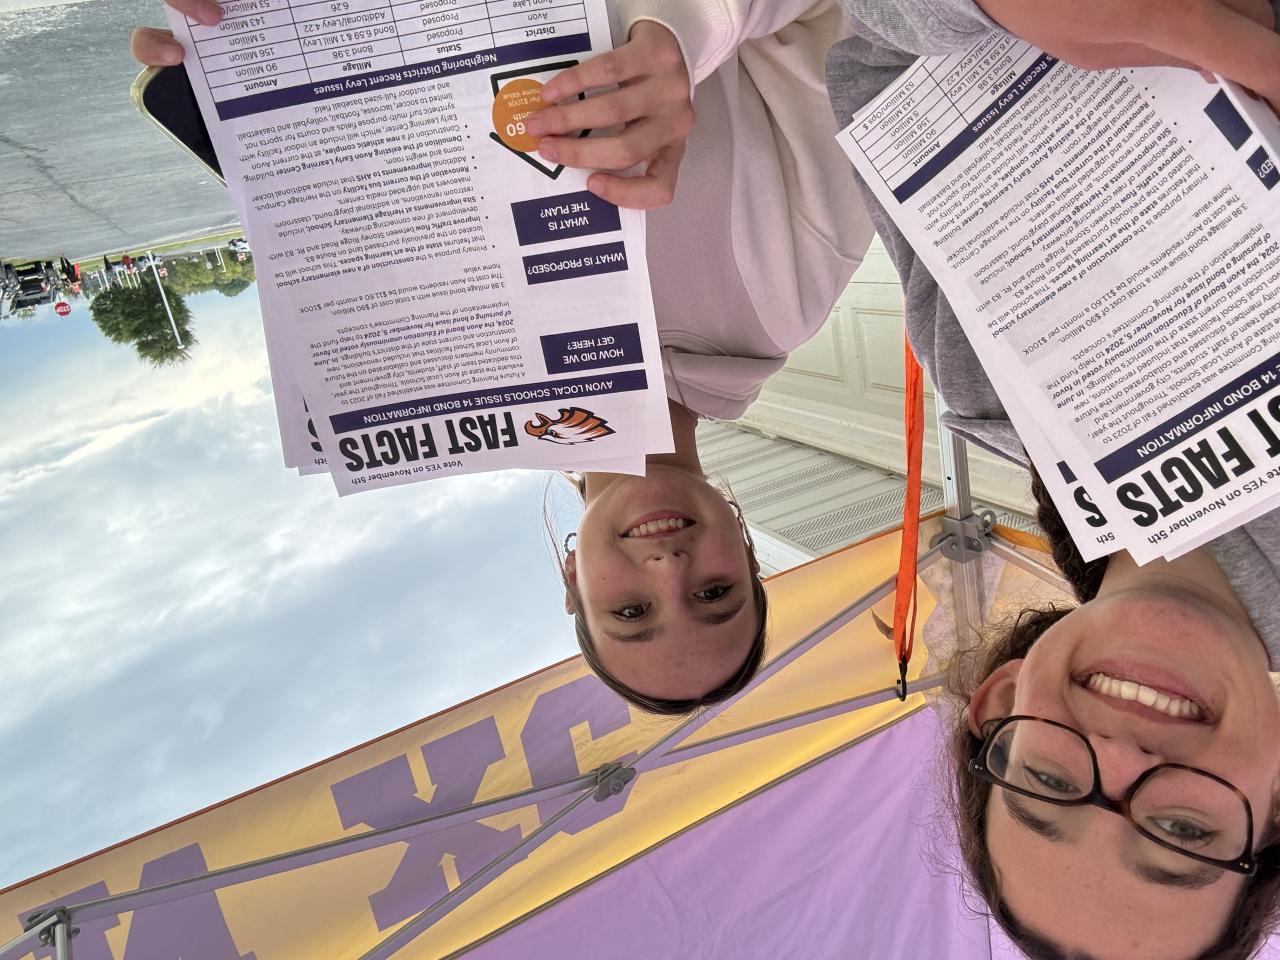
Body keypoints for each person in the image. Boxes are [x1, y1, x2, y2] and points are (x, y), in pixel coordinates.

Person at [130, 0, 876, 713]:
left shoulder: (420, 363)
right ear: (744, 548)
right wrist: (685, 32)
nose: (669, 570)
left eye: (631, 610)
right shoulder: (787, 289)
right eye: (715, 594)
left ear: (571, 579)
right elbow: (856, 22)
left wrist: (246, 45)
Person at [825, 0, 1280, 955]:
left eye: (1049, 783)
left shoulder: (986, 390)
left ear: (1000, 708)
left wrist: (995, 7)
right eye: (1182, 831)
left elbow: (868, 58)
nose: (1118, 754)